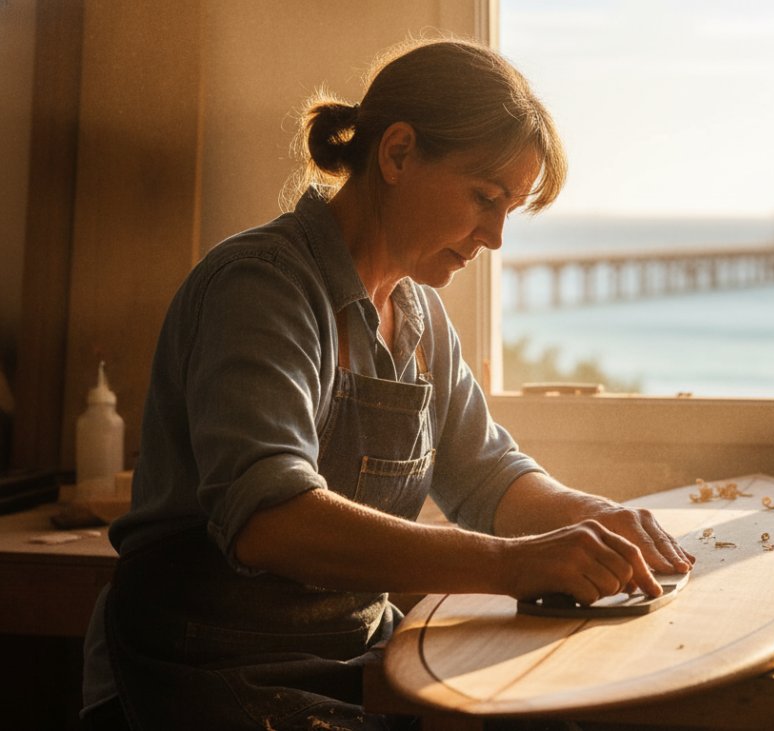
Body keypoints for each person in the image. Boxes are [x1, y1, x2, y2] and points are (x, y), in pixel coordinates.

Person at [80, 37, 694, 731]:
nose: (494, 237)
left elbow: (487, 473)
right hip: (196, 672)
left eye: (508, 211)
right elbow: (269, 520)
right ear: (398, 153)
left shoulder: (417, 314)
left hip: (352, 658)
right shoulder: (262, 287)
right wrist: (514, 565)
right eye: (484, 197)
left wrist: (590, 517)